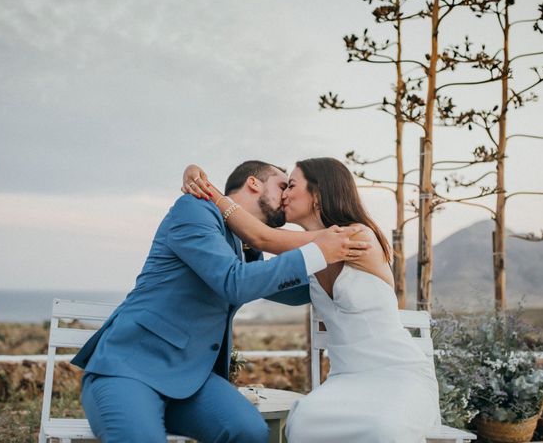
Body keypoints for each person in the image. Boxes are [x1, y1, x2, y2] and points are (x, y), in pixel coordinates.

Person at [70, 160, 371, 443]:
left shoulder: (242, 246)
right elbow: (234, 282)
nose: (287, 196)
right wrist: (318, 251)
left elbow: (288, 288)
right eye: (283, 185)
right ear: (254, 183)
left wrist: (346, 271)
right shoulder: (195, 210)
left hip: (191, 383)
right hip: (130, 369)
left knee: (250, 431)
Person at [184, 157, 441, 443]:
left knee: (384, 430)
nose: (284, 194)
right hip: (346, 380)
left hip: (398, 376)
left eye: (291, 185)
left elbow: (263, 238)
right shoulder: (315, 257)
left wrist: (207, 190)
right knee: (302, 422)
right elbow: (260, 278)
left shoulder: (356, 237)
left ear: (318, 194)